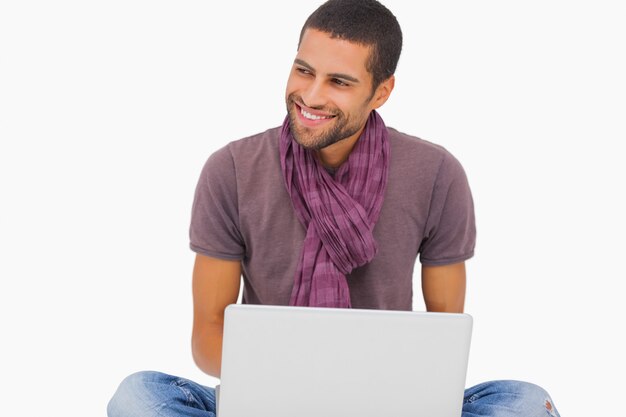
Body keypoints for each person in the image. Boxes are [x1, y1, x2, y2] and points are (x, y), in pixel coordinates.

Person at [108, 1, 560, 416]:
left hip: (390, 398)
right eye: (304, 71)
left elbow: (444, 344)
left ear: (381, 92)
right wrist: (296, 381)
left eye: (339, 82)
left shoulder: (437, 173)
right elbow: (207, 334)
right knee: (137, 397)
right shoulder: (230, 169)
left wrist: (371, 389)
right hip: (264, 397)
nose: (311, 96)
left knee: (523, 403)